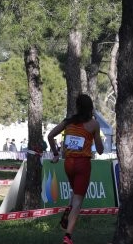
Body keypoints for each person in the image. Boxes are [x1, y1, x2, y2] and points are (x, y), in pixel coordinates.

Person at [47, 93, 104, 244]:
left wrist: (55, 153)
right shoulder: (93, 124)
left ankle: (69, 209)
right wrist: (95, 135)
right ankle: (68, 237)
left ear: (77, 107)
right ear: (91, 108)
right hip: (82, 164)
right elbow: (100, 150)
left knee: (75, 194)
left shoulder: (68, 122)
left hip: (68, 164)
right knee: (78, 202)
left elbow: (50, 136)